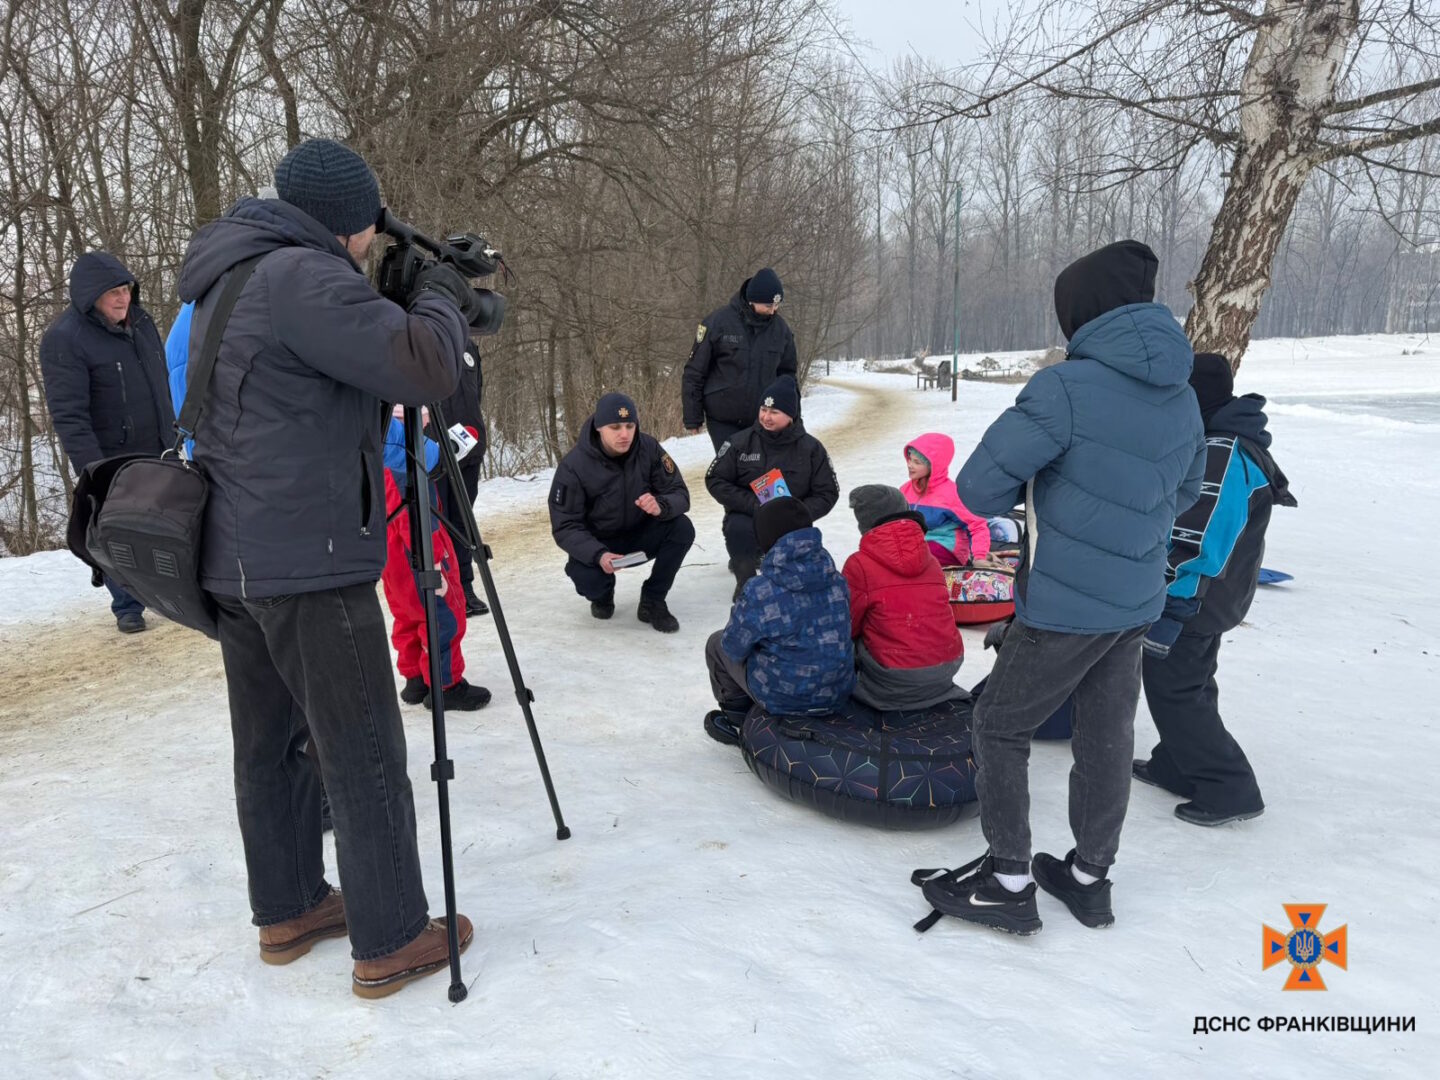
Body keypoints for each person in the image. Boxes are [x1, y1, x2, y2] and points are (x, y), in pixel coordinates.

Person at [177, 138, 476, 996]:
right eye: (365, 231)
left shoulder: (232, 272)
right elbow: (424, 367)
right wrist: (444, 300)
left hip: (237, 555)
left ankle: (290, 907)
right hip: (306, 556)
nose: (367, 245)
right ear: (345, 220)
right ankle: (389, 938)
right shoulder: (300, 277)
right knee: (363, 749)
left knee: (271, 746)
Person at [919, 240, 1205, 936]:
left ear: (1081, 315)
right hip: (1136, 598)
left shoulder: (1063, 388)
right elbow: (1188, 491)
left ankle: (1009, 878)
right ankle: (1088, 877)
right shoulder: (1182, 390)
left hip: (1064, 603)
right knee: (1105, 734)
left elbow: (980, 487)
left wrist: (1044, 477)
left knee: (999, 723)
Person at [1135, 353, 1296, 827]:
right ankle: (1178, 764)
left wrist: (1167, 587)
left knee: (1175, 688)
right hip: (1213, 595)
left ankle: (1231, 789)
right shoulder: (1222, 438)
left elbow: (1198, 535)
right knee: (1190, 683)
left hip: (1193, 597)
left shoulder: (1223, 449)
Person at [39, 251, 175, 633]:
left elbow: (160, 383)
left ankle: (170, 596)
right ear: (89, 296)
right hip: (110, 457)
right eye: (112, 292)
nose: (122, 298)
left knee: (165, 527)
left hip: (159, 446)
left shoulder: (143, 324)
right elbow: (69, 415)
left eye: (126, 289)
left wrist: (177, 430)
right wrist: (92, 469)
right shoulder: (64, 340)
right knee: (118, 533)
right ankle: (127, 604)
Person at [548, 391, 694, 633]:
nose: (624, 434)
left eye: (629, 425)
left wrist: (662, 505)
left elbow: (680, 493)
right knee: (588, 579)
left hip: (641, 534)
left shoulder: (650, 449)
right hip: (599, 543)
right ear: (599, 428)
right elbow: (565, 526)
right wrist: (598, 555)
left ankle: (653, 600)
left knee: (682, 528)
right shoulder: (573, 466)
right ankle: (603, 594)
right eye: (615, 427)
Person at [704, 497, 854, 726]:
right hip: (838, 691)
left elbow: (732, 647)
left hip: (784, 698)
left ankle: (739, 719)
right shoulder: (836, 579)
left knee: (715, 644)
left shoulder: (761, 590)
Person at [380, 410, 492, 712]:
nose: (427, 424)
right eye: (422, 419)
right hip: (419, 546)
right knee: (444, 615)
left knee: (407, 614)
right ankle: (446, 684)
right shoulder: (404, 458)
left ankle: (415, 677)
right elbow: (414, 515)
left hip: (391, 554)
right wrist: (434, 561)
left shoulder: (377, 454)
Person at [704, 375, 839, 597]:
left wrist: (799, 512)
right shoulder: (739, 442)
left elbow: (828, 492)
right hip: (751, 515)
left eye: (774, 412)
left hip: (793, 518)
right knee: (737, 527)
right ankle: (746, 583)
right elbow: (715, 480)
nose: (766, 417)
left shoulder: (812, 449)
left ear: (791, 415)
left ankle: (791, 584)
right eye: (763, 410)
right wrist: (754, 504)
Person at [842, 485, 964, 710]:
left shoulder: (859, 564)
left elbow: (846, 627)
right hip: (947, 664)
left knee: (841, 635)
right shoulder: (932, 560)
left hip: (894, 677)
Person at [682, 267, 798, 452]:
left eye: (777, 305)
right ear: (752, 300)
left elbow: (788, 377)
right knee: (732, 470)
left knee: (767, 474)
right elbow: (695, 372)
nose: (773, 311)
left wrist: (794, 416)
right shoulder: (718, 323)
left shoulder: (781, 330)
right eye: (769, 306)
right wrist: (692, 417)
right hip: (722, 418)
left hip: (763, 418)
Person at [435, 344, 490, 617]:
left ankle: (465, 587)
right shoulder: (415, 336)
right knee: (438, 523)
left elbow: (476, 392)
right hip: (433, 451)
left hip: (469, 448)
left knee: (463, 522)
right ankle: (444, 589)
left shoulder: (469, 347)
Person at [900, 433, 992, 566]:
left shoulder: (952, 494)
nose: (910, 465)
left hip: (945, 545)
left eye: (917, 462)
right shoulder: (905, 490)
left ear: (933, 466)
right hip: (916, 547)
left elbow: (977, 525)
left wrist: (979, 556)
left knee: (918, 557)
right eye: (909, 459)